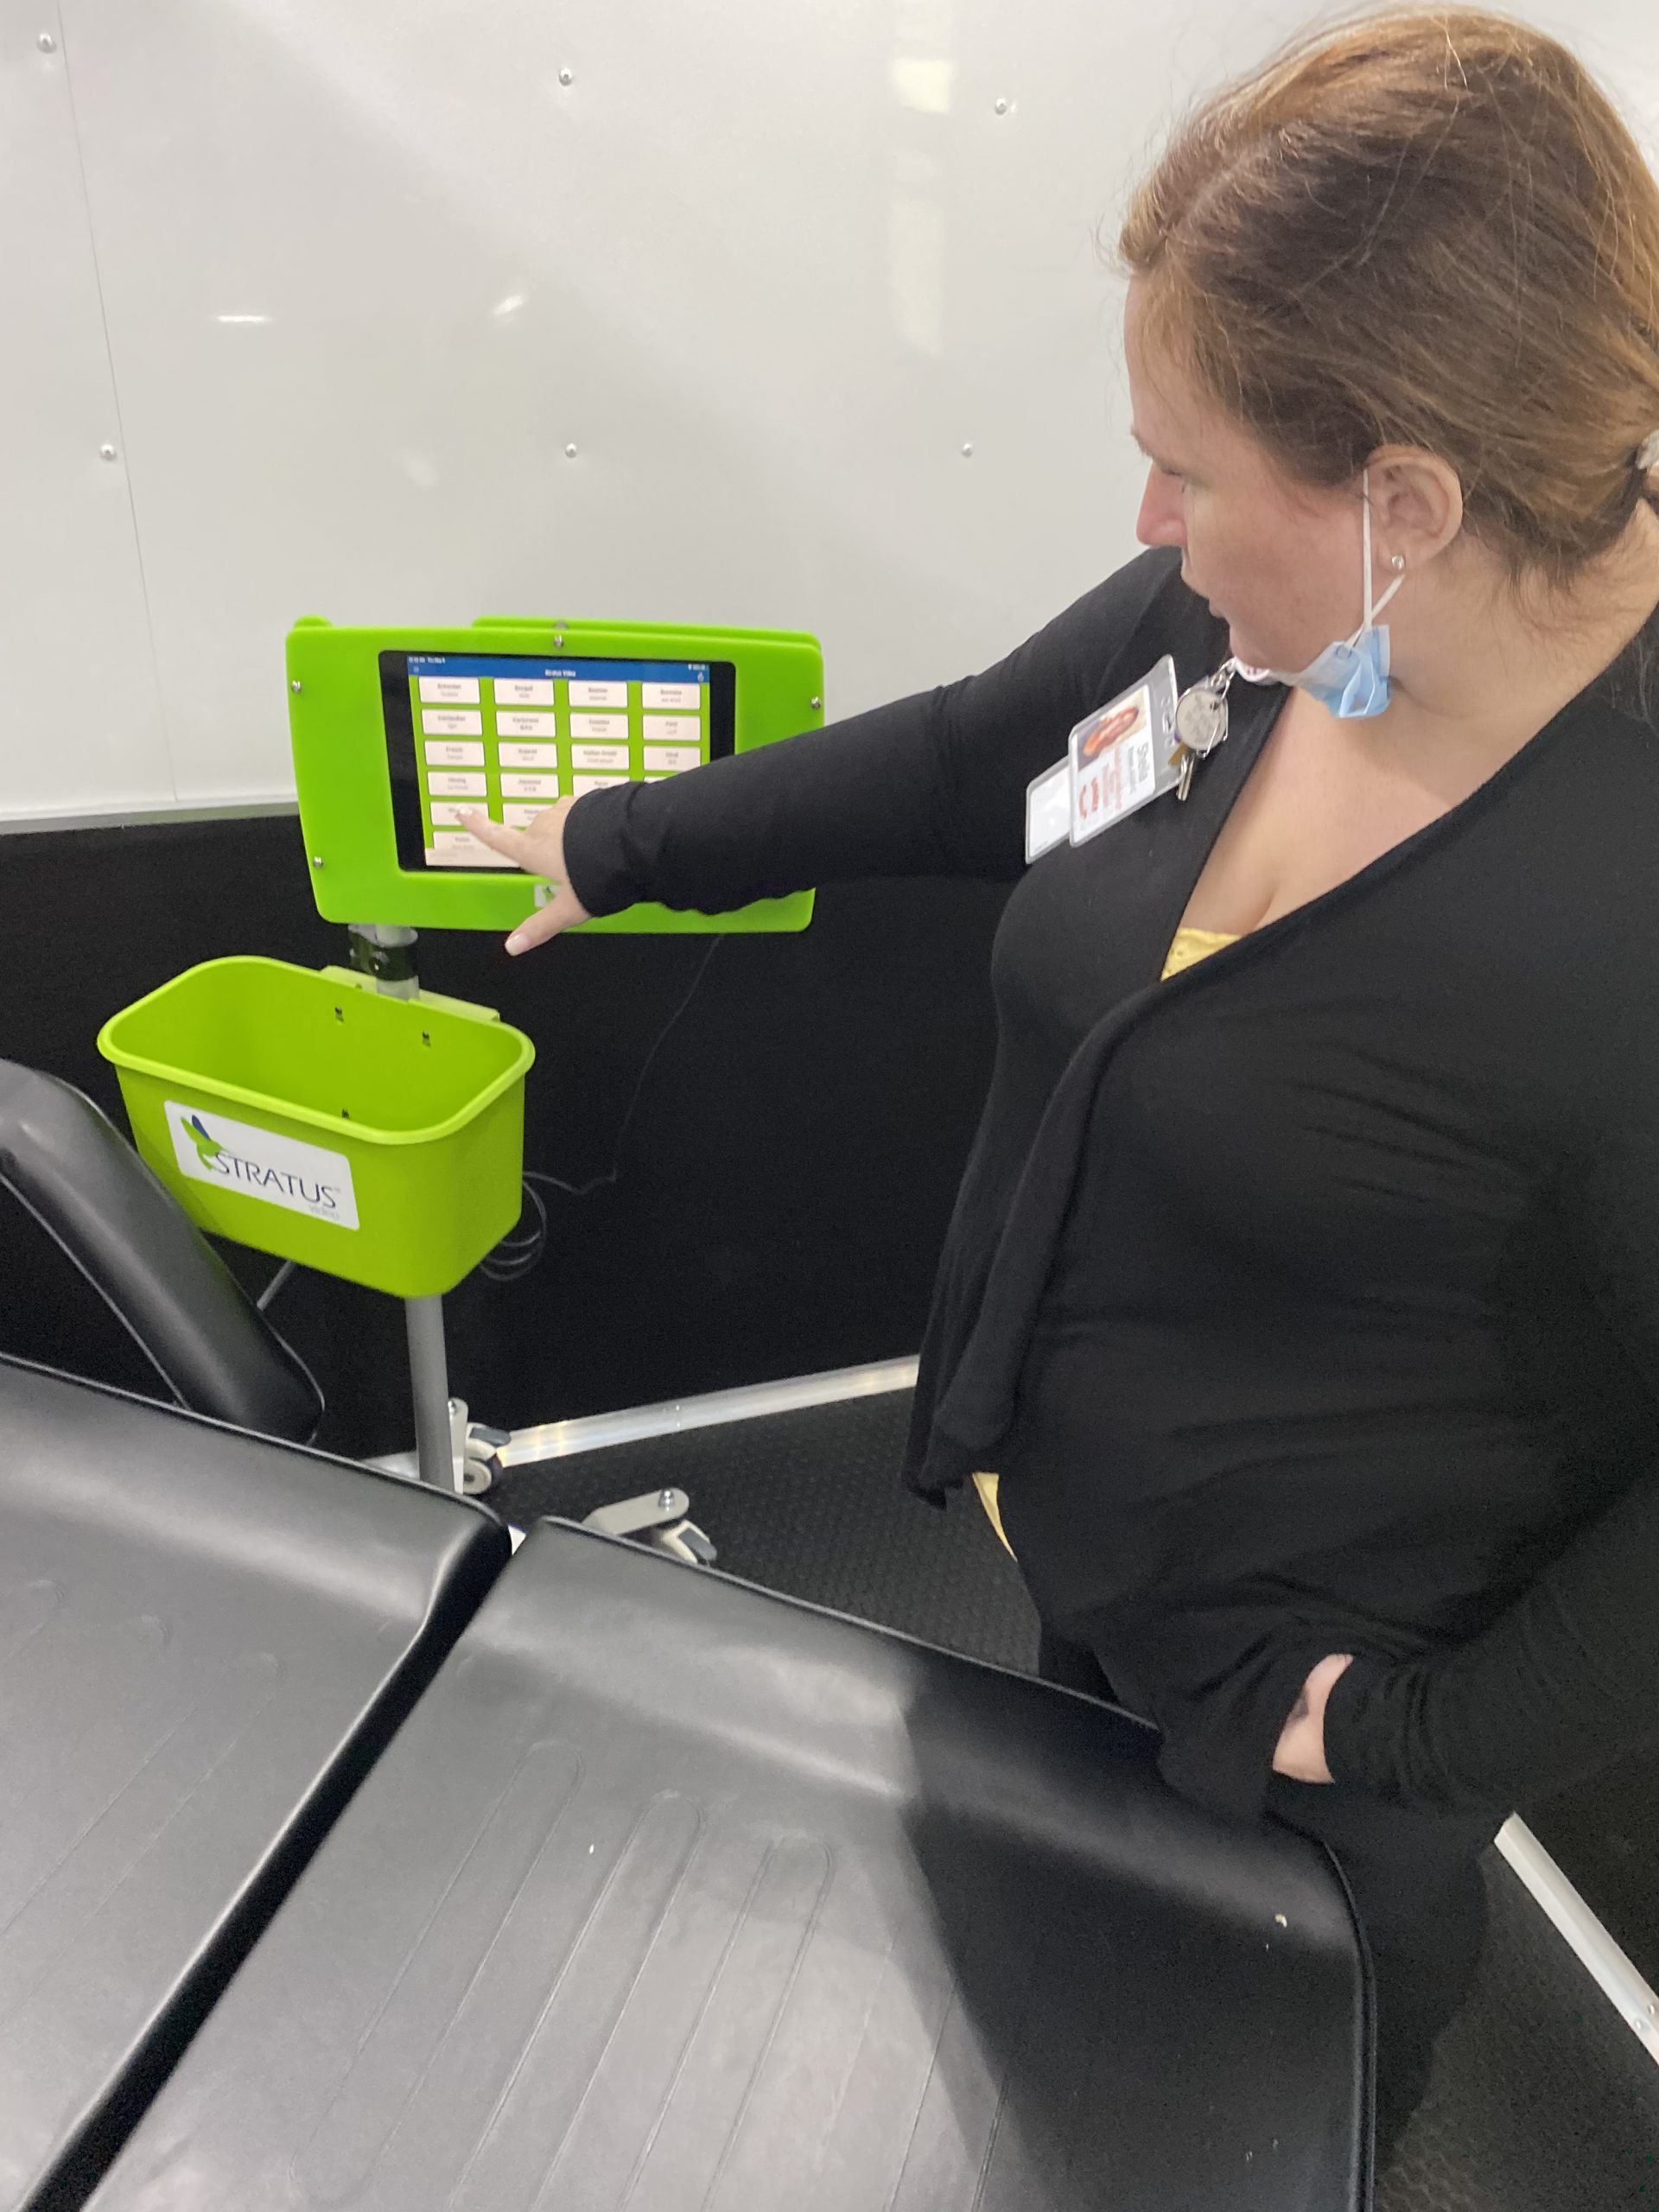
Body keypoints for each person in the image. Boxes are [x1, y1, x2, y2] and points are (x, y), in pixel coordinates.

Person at [463, 5, 1659, 2173]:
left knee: (1251, 2129)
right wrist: (630, 846)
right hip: (1087, 1558)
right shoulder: (1267, 632)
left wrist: (1406, 1733)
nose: (1153, 519)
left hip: (1318, 1736)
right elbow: (972, 752)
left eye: (1189, 471)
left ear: (1405, 497)